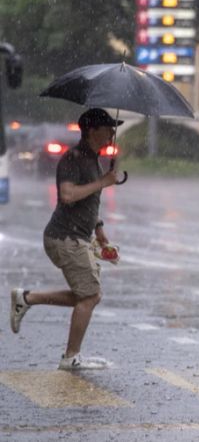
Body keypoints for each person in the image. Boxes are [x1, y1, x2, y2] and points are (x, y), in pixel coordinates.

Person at [9, 108, 120, 370]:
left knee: (87, 295)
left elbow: (89, 202)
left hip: (76, 237)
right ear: (92, 131)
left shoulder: (93, 159)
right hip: (65, 238)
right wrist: (103, 182)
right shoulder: (73, 158)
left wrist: (100, 230)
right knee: (90, 296)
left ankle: (27, 298)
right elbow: (68, 195)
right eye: (108, 128)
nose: (112, 134)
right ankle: (70, 357)